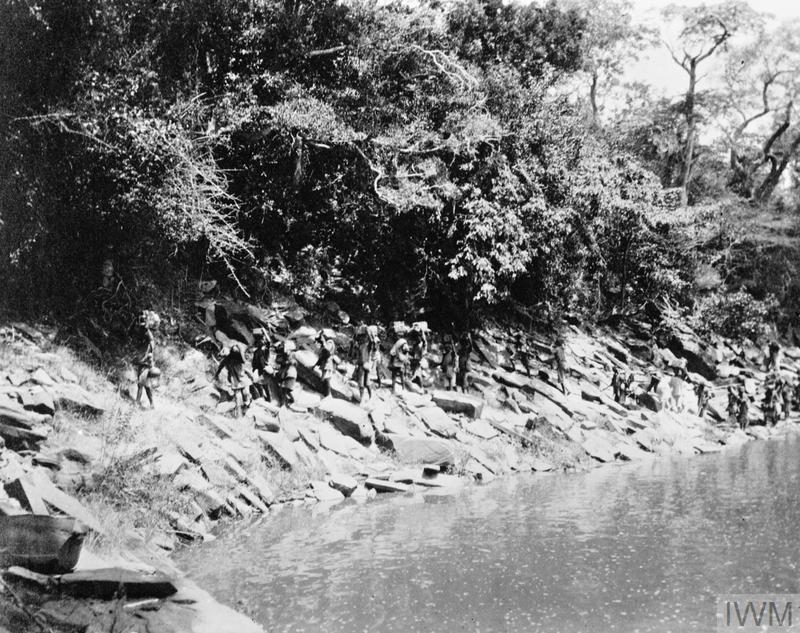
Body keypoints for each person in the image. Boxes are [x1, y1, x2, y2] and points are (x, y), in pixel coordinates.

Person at [215, 344, 252, 416]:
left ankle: (247, 405)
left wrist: (239, 347)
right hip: (235, 380)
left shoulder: (240, 358)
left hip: (242, 379)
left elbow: (244, 360)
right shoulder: (228, 359)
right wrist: (216, 374)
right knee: (238, 396)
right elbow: (220, 366)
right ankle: (239, 411)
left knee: (245, 393)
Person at [134, 311, 158, 409]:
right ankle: (152, 404)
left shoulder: (148, 333)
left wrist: (150, 356)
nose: (142, 324)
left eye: (143, 322)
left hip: (146, 362)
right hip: (142, 361)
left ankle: (137, 403)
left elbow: (152, 343)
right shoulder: (140, 332)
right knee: (147, 385)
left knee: (140, 383)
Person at [251, 328, 273, 401]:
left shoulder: (264, 352)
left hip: (264, 371)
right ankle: (265, 398)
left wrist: (264, 332)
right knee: (262, 385)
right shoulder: (257, 352)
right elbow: (254, 362)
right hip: (260, 371)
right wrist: (254, 369)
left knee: (262, 385)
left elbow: (269, 342)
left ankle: (266, 398)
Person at [356, 326, 377, 403]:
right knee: (365, 383)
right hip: (365, 365)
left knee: (362, 384)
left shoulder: (366, 346)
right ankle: (369, 396)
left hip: (364, 365)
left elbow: (372, 342)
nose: (362, 339)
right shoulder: (362, 346)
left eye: (363, 338)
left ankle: (365, 398)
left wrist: (368, 332)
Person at [314, 331, 336, 398]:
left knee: (326, 378)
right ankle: (325, 393)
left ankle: (327, 394)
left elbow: (326, 352)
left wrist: (322, 340)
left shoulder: (330, 343)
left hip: (327, 363)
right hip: (325, 363)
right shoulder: (326, 343)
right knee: (324, 378)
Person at [276, 340, 298, 407]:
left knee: (284, 390)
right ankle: (291, 400)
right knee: (287, 390)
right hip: (291, 376)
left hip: (289, 376)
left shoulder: (290, 361)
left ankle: (282, 404)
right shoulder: (291, 361)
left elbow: (287, 365)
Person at [407, 323, 428, 388]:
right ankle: (419, 385)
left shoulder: (420, 344)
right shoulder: (417, 344)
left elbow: (421, 353)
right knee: (416, 372)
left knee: (417, 372)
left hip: (418, 359)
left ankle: (421, 387)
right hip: (417, 358)